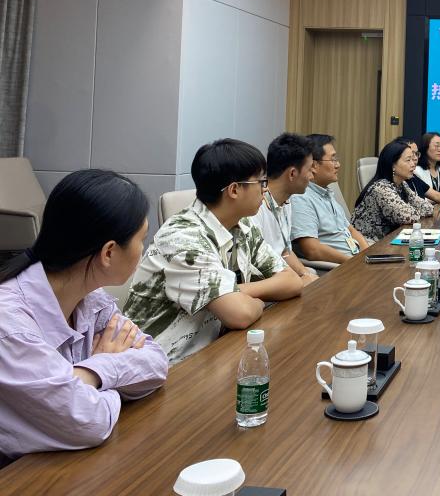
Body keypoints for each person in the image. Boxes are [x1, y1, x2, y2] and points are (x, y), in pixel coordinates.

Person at [0, 170, 168, 465]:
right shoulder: (10, 324)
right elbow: (88, 421)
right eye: (142, 239)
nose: (144, 249)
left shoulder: (91, 298)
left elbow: (155, 361)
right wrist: (108, 370)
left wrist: (90, 373)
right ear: (109, 253)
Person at [123, 139, 302, 364]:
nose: (265, 189)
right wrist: (250, 299)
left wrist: (236, 291)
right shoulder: (183, 239)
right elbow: (240, 314)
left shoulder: (243, 225)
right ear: (234, 190)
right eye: (260, 182)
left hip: (212, 353)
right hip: (162, 366)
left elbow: (292, 281)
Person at [290, 134, 371, 264]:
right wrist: (354, 263)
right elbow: (312, 250)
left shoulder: (326, 193)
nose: (338, 165)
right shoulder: (301, 198)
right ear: (313, 165)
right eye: (333, 159)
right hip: (339, 268)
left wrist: (367, 256)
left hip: (356, 261)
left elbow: (350, 230)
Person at [253, 133, 319, 287]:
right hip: (266, 284)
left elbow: (284, 251)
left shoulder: (286, 201)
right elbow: (257, 270)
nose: (312, 175)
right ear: (292, 173)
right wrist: (299, 281)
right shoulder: (255, 208)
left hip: (283, 278)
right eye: (310, 169)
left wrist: (305, 274)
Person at [352, 139, 436, 241]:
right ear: (392, 165)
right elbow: (407, 217)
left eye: (413, 159)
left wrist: (411, 209)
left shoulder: (402, 184)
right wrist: (413, 210)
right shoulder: (381, 188)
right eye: (408, 160)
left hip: (388, 239)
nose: (413, 164)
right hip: (368, 243)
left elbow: (428, 208)